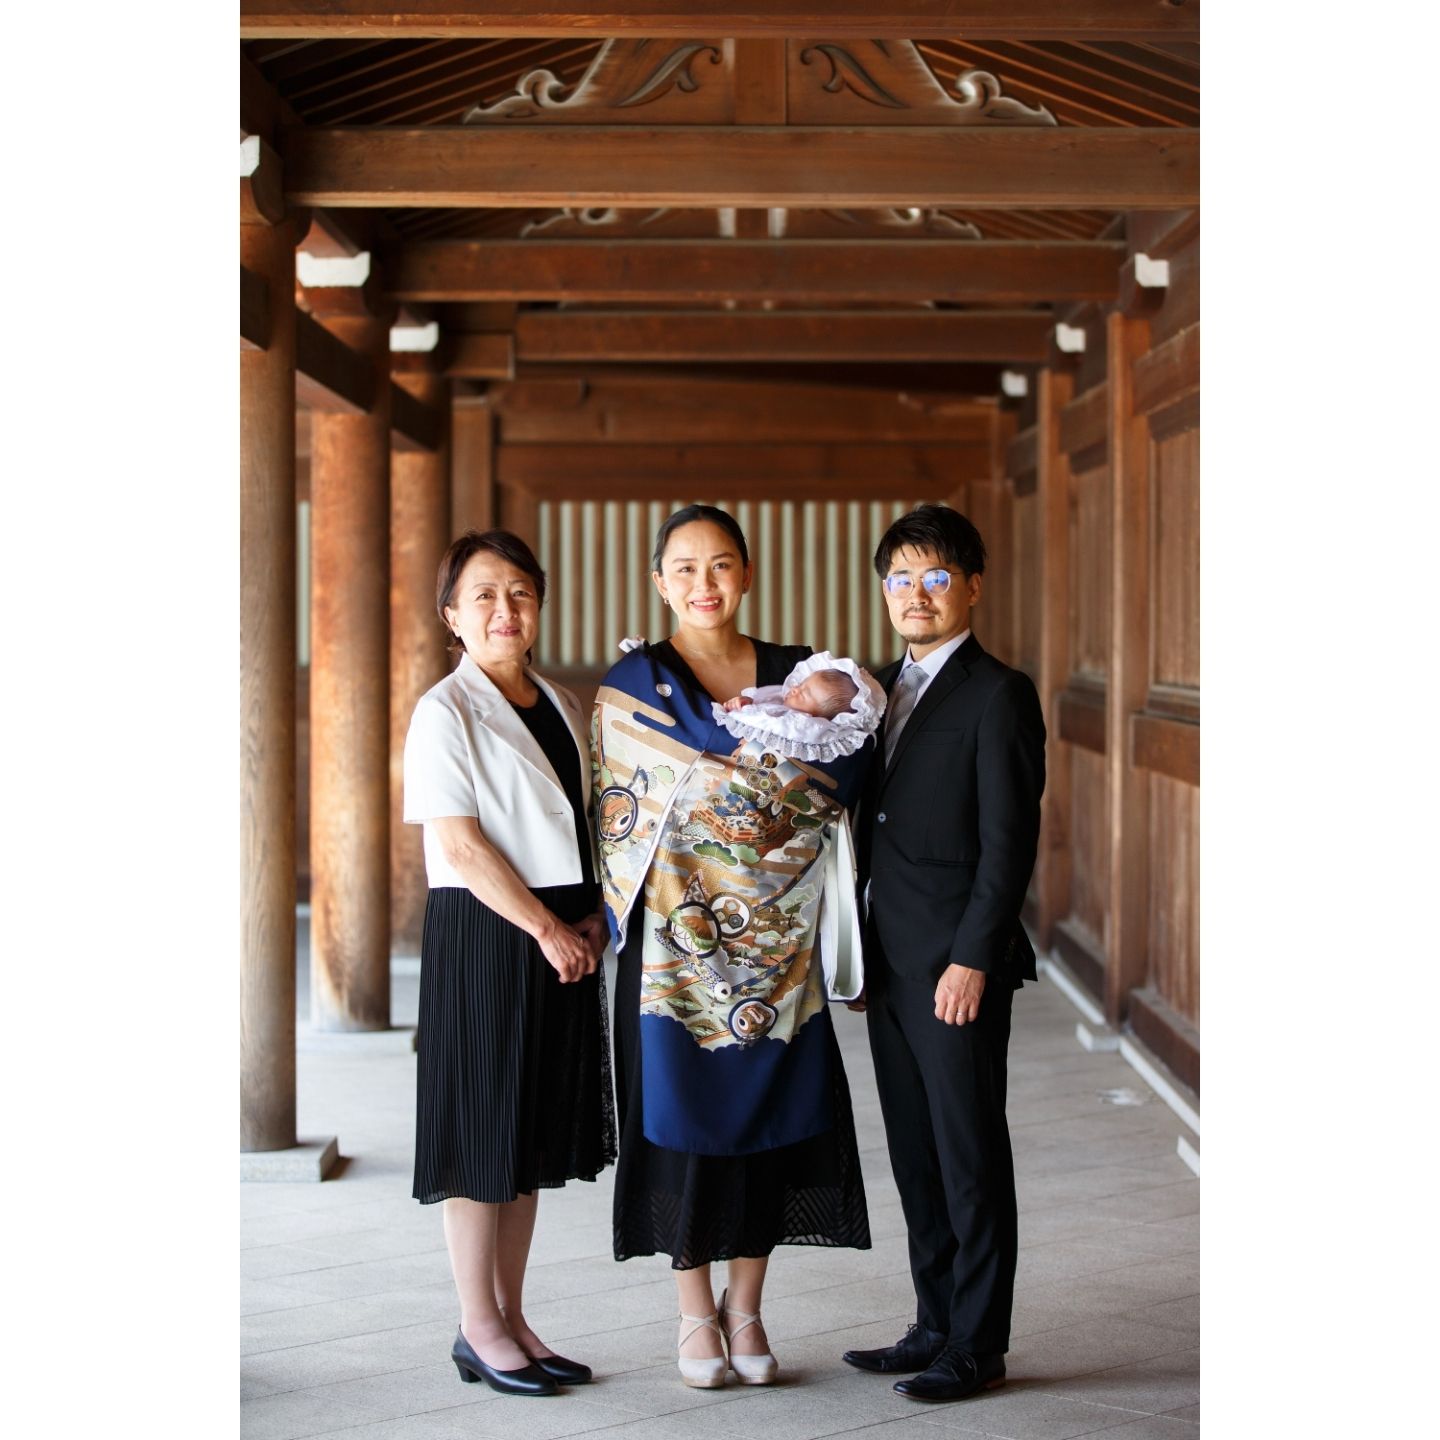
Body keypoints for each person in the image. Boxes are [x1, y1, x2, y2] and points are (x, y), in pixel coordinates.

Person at [592, 505, 871, 1389]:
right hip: (674, 948)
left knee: (767, 1125)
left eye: (720, 566)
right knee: (682, 1125)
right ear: (658, 582)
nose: (703, 585)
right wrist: (739, 776)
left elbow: (846, 764)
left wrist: (757, 798)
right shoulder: (638, 679)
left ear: (747, 573)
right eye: (684, 568)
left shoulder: (804, 670)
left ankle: (746, 1309)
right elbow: (620, 797)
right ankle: (691, 1315)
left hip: (775, 942)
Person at [402, 529, 616, 1398]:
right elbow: (460, 842)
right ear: (453, 615)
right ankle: (476, 1325)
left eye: (519, 592)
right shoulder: (442, 711)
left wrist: (595, 916)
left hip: (563, 932)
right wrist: (546, 928)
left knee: (528, 1138)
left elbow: (598, 821)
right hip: (492, 935)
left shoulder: (565, 704)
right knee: (481, 1135)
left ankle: (514, 1315)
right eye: (483, 595)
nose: (504, 609)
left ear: (538, 604)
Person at [842, 504, 1046, 1404]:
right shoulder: (879, 690)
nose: (914, 595)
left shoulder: (1000, 694)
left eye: (933, 577)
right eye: (899, 578)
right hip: (887, 958)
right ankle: (931, 1320)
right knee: (915, 1152)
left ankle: (978, 1341)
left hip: (954, 966)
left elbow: (1010, 845)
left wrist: (973, 957)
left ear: (970, 586)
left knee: (969, 1152)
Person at [716, 651, 887, 765]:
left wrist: (742, 713)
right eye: (802, 683)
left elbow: (765, 723)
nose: (795, 688)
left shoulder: (802, 726)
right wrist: (747, 702)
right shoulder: (780, 700)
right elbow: (762, 707)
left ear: (819, 717)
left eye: (804, 694)